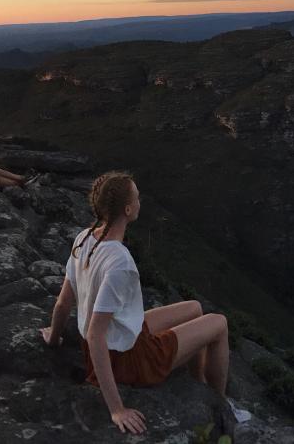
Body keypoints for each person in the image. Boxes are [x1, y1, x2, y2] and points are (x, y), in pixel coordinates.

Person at [40, 171, 231, 435]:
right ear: (128, 209)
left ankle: (199, 384)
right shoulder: (120, 262)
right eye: (137, 197)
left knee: (194, 308)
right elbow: (96, 335)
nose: (141, 201)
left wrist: (53, 338)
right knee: (219, 323)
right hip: (129, 360)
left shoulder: (84, 238)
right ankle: (222, 405)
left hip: (117, 339)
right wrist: (117, 409)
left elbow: (63, 303)